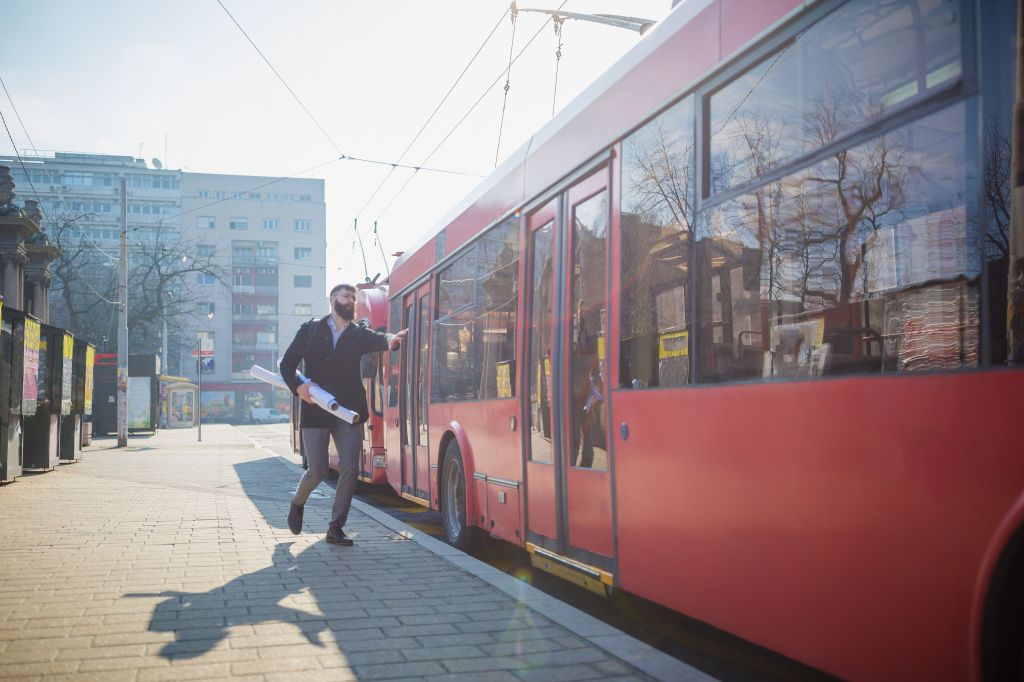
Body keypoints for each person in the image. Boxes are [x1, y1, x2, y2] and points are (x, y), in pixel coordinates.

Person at [280, 283, 406, 545]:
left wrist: (391, 340)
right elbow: (287, 364)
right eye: (346, 296)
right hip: (316, 408)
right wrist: (299, 387)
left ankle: (335, 527)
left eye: (354, 297)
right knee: (317, 470)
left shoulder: (358, 333)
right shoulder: (311, 330)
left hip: (348, 412)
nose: (350, 300)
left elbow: (378, 339)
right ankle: (297, 501)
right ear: (332, 299)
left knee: (350, 468)